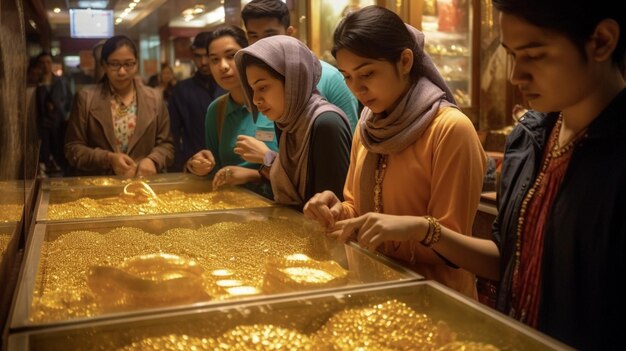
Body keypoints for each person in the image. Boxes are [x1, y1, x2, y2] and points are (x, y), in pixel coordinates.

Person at [322, 1, 626, 348]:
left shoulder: (452, 129)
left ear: (602, 41)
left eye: (535, 54)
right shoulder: (529, 138)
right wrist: (414, 226)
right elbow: (507, 261)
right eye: (513, 55)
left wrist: (422, 230)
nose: (515, 76)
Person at [303, 6, 487, 299]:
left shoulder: (449, 129)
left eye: (368, 73)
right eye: (347, 77)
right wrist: (336, 211)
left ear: (404, 61)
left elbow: (452, 248)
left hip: (436, 301)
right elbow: (358, 208)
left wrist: (380, 233)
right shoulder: (367, 128)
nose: (357, 88)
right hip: (373, 291)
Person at [230, 35, 352, 207]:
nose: (256, 99)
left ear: (293, 81)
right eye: (252, 90)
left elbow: (334, 210)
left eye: (263, 87)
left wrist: (268, 158)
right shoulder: (286, 122)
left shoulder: (326, 124)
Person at [185, 25, 278, 198]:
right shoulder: (217, 110)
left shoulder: (277, 103)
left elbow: (300, 171)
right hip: (233, 209)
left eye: (231, 56)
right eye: (214, 60)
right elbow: (215, 171)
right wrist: (198, 165)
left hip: (280, 209)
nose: (223, 66)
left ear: (246, 56)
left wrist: (254, 175)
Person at [241, 0, 359, 131]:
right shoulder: (251, 80)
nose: (262, 43)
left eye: (270, 35)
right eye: (253, 36)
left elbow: (350, 142)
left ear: (289, 33)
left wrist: (265, 153)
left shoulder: (331, 78)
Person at [65, 35, 174, 177]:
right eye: (114, 64)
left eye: (128, 64)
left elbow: (167, 146)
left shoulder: (155, 98)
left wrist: (153, 160)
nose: (122, 71)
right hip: (100, 188)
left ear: (137, 64)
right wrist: (108, 158)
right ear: (104, 64)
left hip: (143, 185)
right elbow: (73, 148)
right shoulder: (86, 99)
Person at [168, 32, 226, 172]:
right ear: (192, 56)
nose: (203, 62)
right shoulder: (181, 90)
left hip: (230, 163)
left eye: (207, 56)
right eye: (198, 56)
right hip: (195, 163)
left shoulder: (229, 86)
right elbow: (174, 133)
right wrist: (180, 165)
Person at [36, 51, 73, 175]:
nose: (45, 65)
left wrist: (63, 112)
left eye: (48, 62)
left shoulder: (60, 81)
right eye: (42, 63)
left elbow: (69, 99)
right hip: (42, 125)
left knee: (60, 152)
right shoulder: (35, 83)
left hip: (59, 123)